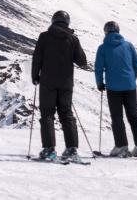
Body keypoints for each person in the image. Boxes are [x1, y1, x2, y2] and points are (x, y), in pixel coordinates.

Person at [31, 10, 88, 162]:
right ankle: (71, 150)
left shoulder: (44, 37)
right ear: (67, 22)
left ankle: (49, 150)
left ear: (53, 21)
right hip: (66, 83)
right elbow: (82, 61)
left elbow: (37, 58)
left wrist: (35, 76)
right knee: (67, 114)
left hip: (47, 82)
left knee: (47, 115)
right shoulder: (73, 39)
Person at [94, 21, 137, 157]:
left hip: (113, 87)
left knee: (117, 116)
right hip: (130, 86)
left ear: (106, 32)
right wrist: (131, 78)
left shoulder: (103, 48)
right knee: (134, 115)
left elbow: (98, 68)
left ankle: (121, 146)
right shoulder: (128, 45)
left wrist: (100, 83)